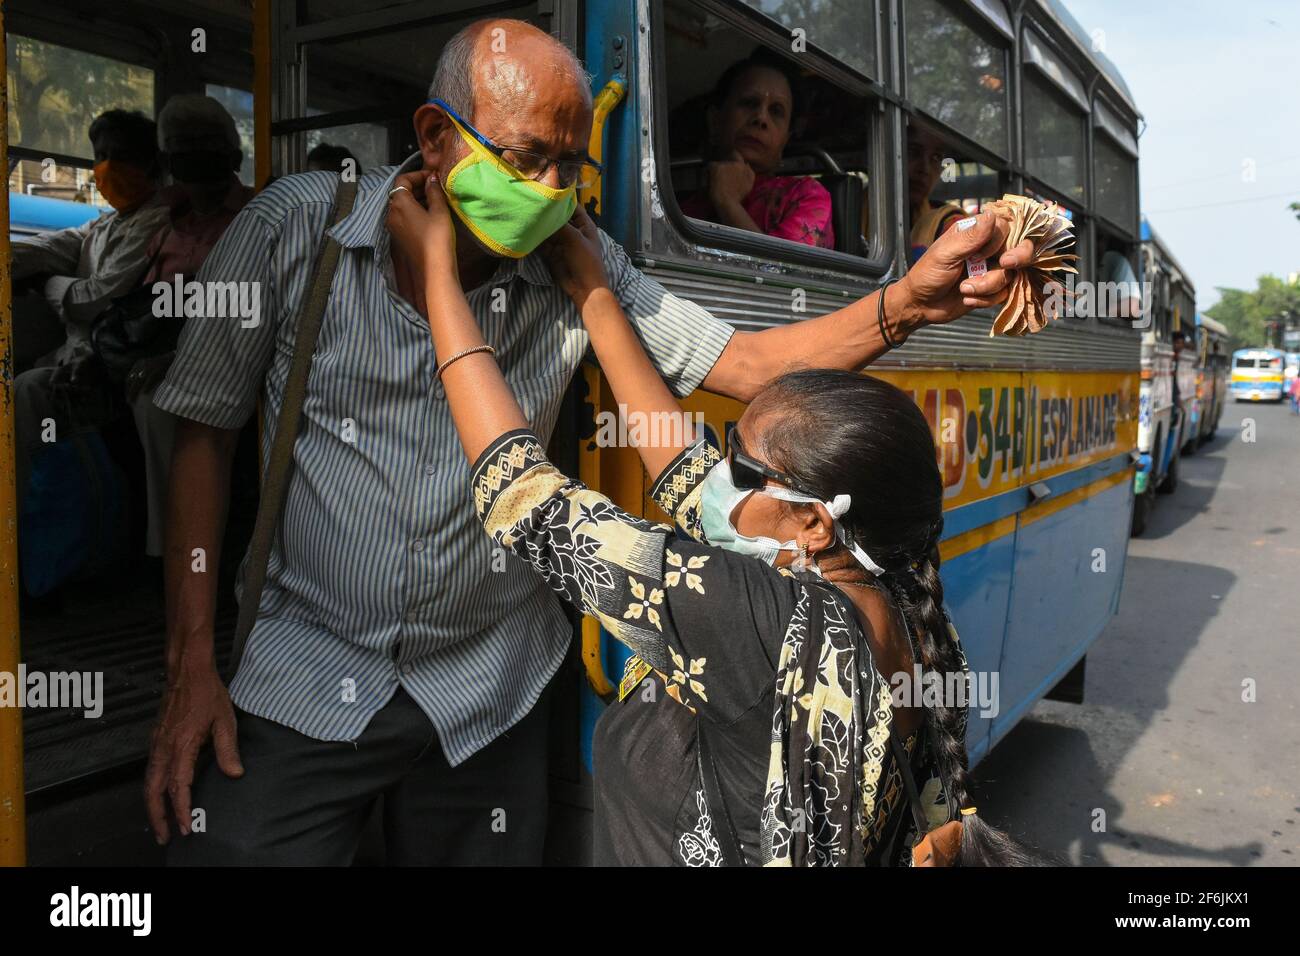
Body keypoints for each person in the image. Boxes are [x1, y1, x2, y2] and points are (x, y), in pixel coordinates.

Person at [147, 17, 1034, 865]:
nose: (548, 191)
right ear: (434, 134)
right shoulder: (295, 228)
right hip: (305, 669)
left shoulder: (578, 256)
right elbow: (203, 433)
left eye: (569, 166)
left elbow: (746, 367)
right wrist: (193, 660)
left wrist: (910, 302)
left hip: (487, 689)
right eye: (526, 159)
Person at [387, 177, 1037, 866]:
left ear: (816, 524)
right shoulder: (908, 606)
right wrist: (596, 296)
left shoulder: (757, 621)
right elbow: (683, 470)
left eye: (742, 469)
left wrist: (438, 284)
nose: (715, 478)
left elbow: (524, 496)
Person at [11, 109, 170, 518]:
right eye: (101, 155)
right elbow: (47, 248)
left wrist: (49, 284)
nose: (108, 166)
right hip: (76, 351)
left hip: (115, 361)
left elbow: (100, 297)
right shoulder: (100, 226)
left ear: (150, 162)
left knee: (27, 392)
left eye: (120, 155)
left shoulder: (159, 222)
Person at [127, 94, 255, 559]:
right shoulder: (166, 227)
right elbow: (144, 304)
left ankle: (174, 554)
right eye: (182, 146)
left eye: (206, 144)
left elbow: (250, 309)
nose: (195, 155)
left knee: (160, 404)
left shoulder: (254, 217)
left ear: (233, 154)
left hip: (228, 356)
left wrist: (177, 360)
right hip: (162, 347)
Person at [678, 48, 834, 249]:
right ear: (715, 121)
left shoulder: (806, 196)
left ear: (785, 140)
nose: (761, 118)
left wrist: (728, 203)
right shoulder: (678, 211)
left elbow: (787, 275)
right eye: (749, 103)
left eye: (776, 111)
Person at [907, 126, 965, 264]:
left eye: (936, 157)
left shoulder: (946, 221)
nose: (925, 169)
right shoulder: (851, 211)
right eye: (913, 152)